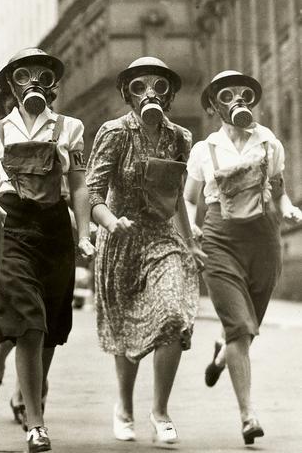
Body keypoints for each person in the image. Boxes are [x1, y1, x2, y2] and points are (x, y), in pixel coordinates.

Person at [0, 48, 96, 453]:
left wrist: (83, 233)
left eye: (43, 75)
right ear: (11, 85)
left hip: (55, 230)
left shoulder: (71, 128)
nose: (34, 83)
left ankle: (30, 394)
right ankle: (36, 424)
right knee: (29, 320)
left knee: (50, 329)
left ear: (54, 85)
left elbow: (79, 185)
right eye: (24, 75)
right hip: (13, 229)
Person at [85, 57, 205, 445]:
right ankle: (123, 406)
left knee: (172, 313)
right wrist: (109, 222)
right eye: (139, 86)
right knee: (128, 326)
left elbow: (175, 200)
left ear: (169, 93)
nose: (149, 93)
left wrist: (189, 244)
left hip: (160, 237)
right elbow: (93, 194)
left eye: (158, 85)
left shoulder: (180, 138)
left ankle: (160, 411)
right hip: (119, 240)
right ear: (127, 94)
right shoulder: (114, 133)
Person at [183, 70, 302, 445]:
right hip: (220, 240)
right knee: (239, 326)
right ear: (214, 105)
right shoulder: (205, 149)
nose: (238, 100)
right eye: (228, 94)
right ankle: (248, 415)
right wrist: (192, 228)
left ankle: (221, 357)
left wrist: (289, 209)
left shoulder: (269, 144)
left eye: (245, 93)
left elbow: (280, 191)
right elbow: (188, 199)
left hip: (264, 239)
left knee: (246, 329)